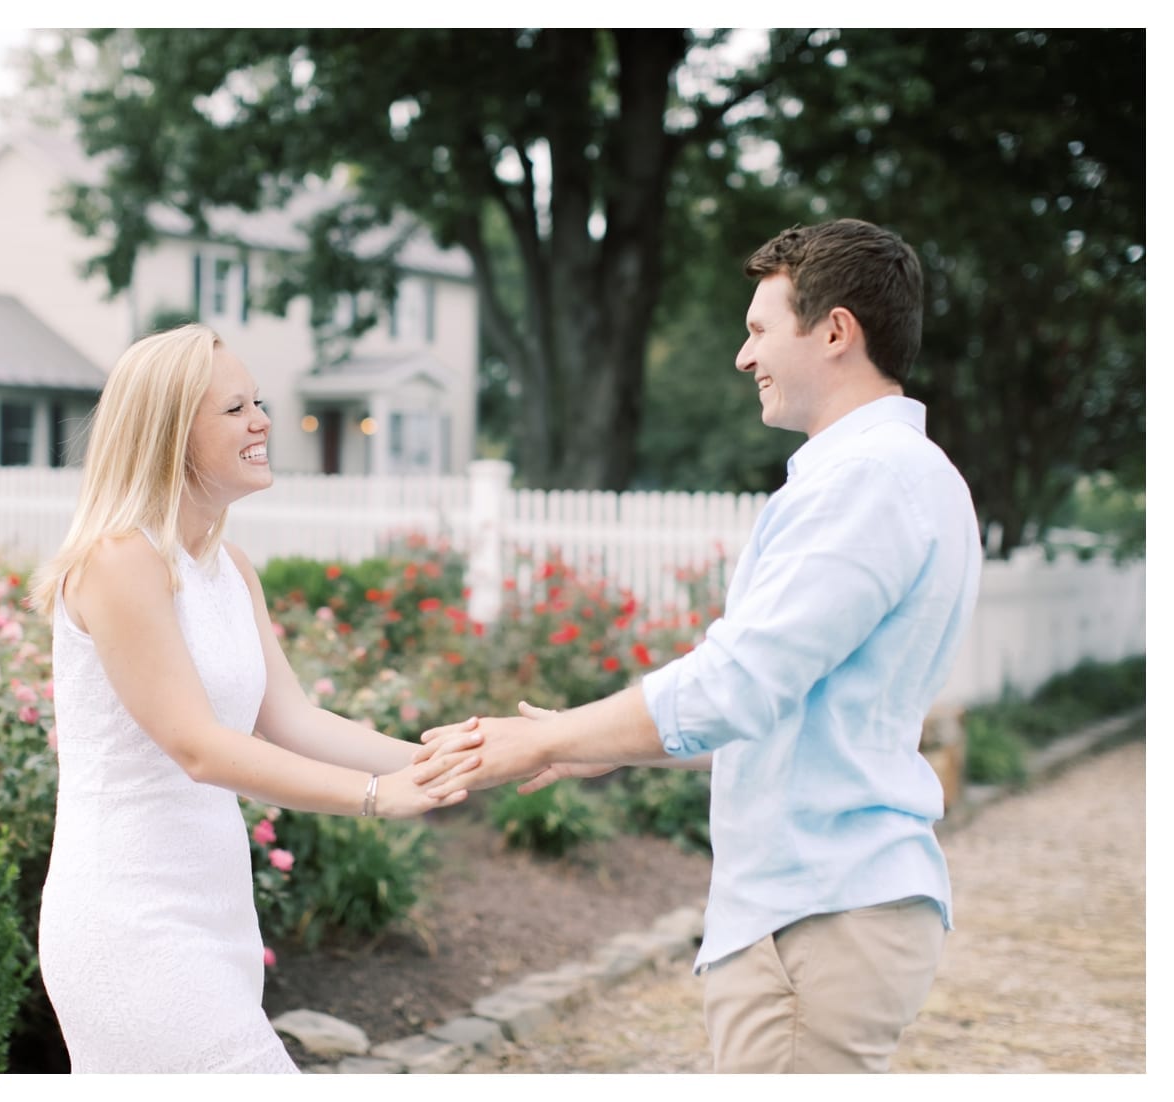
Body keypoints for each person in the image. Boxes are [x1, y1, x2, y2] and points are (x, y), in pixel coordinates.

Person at [420, 218, 982, 1073]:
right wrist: (600, 751)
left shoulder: (865, 482)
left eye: (759, 329)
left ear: (836, 332)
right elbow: (788, 713)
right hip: (827, 903)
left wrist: (546, 737)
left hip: (815, 913)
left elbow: (738, 686)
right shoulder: (901, 475)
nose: (742, 356)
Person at [28, 324, 482, 1073]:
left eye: (258, 403)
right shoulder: (119, 560)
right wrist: (376, 796)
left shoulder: (228, 567)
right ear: (171, 435)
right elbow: (199, 747)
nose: (263, 422)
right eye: (235, 409)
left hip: (217, 916)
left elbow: (294, 720)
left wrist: (448, 760)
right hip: (130, 921)